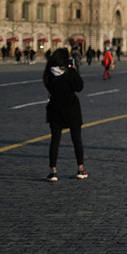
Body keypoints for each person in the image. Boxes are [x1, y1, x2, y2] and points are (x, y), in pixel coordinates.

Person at [42, 48, 88, 182]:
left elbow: (49, 87)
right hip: (72, 110)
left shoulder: (49, 74)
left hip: (55, 109)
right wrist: (73, 70)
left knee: (55, 141)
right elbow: (79, 87)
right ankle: (80, 169)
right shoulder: (69, 72)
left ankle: (53, 171)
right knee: (76, 140)